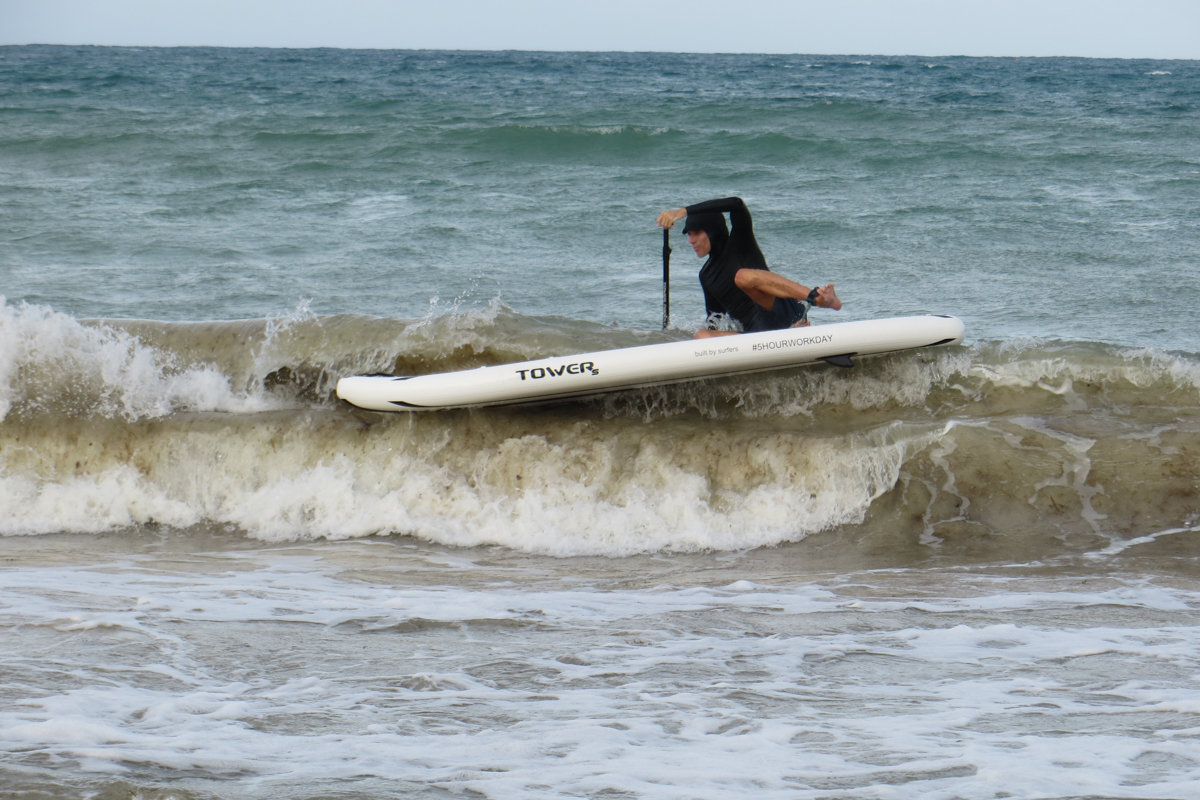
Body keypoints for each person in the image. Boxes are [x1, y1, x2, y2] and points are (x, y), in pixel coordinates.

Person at [657, 197, 841, 339]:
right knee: (702, 335)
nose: (691, 240)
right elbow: (717, 322)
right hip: (758, 335)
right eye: (689, 235)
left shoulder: (740, 243)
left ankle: (818, 298)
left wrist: (682, 212)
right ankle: (774, 340)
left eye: (697, 233)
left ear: (712, 231)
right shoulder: (706, 276)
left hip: (783, 311)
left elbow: (737, 204)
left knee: (742, 277)